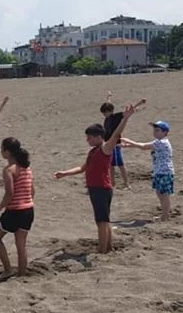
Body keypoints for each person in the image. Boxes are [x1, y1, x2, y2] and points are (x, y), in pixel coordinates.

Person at [54, 105, 136, 253]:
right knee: (104, 220)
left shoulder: (105, 148)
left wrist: (125, 119)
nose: (87, 140)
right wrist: (65, 173)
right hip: (95, 188)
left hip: (101, 189)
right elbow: (82, 168)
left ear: (98, 137)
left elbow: (116, 134)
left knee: (101, 222)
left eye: (89, 138)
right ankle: (108, 247)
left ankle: (102, 250)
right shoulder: (93, 151)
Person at [0, 138, 34, 280]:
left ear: (7, 152)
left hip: (15, 210)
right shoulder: (27, 169)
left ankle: (8, 270)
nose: (1, 151)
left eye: (2, 149)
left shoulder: (9, 170)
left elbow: (9, 193)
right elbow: (32, 191)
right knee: (21, 244)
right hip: (28, 210)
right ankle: (22, 274)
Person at [121, 120, 174, 221]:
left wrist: (128, 141)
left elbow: (143, 146)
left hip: (165, 172)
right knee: (160, 193)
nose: (155, 132)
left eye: (158, 130)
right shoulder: (158, 142)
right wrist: (127, 145)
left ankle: (165, 216)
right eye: (154, 130)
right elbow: (144, 145)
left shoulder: (162, 142)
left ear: (165, 132)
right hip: (159, 171)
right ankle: (164, 214)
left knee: (164, 195)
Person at [100, 92, 146, 189]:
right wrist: (109, 97)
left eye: (105, 112)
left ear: (110, 111)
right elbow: (109, 104)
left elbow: (128, 112)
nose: (104, 114)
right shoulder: (107, 118)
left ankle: (126, 183)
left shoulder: (116, 117)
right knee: (111, 165)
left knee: (120, 165)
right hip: (108, 145)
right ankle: (112, 183)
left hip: (115, 145)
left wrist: (140, 103)